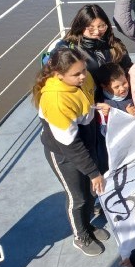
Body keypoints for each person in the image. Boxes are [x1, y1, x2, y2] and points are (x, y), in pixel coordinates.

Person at [33, 47, 110, 256]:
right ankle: (81, 235)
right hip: (64, 154)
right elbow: (70, 144)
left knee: (89, 191)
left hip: (84, 144)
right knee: (78, 197)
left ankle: (87, 224)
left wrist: (96, 106)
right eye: (76, 74)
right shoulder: (56, 101)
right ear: (58, 75)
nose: (83, 76)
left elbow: (85, 104)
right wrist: (93, 172)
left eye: (83, 70)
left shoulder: (83, 80)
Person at [57, 4, 132, 78]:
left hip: (115, 89)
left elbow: (128, 69)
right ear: (80, 26)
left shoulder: (116, 45)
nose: (97, 32)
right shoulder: (67, 47)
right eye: (91, 28)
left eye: (101, 26)